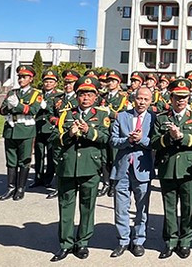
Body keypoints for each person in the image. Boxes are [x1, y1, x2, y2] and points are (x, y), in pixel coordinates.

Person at [51, 76, 111, 262]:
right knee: (65, 206)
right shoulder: (66, 114)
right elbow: (54, 139)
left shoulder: (101, 115)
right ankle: (65, 244)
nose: (86, 98)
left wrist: (88, 131)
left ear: (96, 97)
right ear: (77, 96)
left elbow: (106, 138)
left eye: (90, 94)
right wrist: (69, 134)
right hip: (68, 166)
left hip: (90, 167)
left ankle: (83, 242)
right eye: (82, 94)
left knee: (87, 206)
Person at [152, 79, 192, 259]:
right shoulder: (162, 117)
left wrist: (181, 136)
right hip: (168, 167)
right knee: (170, 207)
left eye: (184, 97)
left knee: (188, 207)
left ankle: (186, 241)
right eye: (177, 97)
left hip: (188, 169)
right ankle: (171, 241)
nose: (181, 100)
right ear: (171, 97)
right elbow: (154, 142)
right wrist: (169, 137)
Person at [110, 86, 154, 258]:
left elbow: (156, 142)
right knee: (121, 207)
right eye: (139, 98)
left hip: (142, 168)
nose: (141, 102)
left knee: (142, 207)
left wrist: (142, 139)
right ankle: (123, 241)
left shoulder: (153, 118)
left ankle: (138, 241)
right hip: (122, 168)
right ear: (133, 99)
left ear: (151, 101)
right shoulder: (122, 116)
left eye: (146, 99)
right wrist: (128, 140)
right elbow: (113, 140)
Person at [0, 65, 43, 201]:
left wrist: (16, 105)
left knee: (24, 160)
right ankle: (10, 187)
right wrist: (9, 107)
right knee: (11, 160)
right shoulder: (12, 93)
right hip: (10, 129)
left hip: (26, 130)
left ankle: (20, 188)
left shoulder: (36, 94)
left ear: (31, 79)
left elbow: (33, 110)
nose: (21, 79)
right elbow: (2, 110)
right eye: (19, 77)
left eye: (24, 77)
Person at [47, 69, 80, 199]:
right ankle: (58, 186)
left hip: (74, 132)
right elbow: (50, 114)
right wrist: (56, 121)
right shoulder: (57, 99)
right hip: (59, 132)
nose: (67, 86)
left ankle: (74, 184)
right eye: (66, 83)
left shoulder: (80, 98)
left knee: (72, 159)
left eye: (71, 83)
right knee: (57, 159)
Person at [100, 69, 129, 197]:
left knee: (114, 158)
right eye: (108, 81)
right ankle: (106, 183)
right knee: (104, 158)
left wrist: (109, 113)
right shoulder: (103, 97)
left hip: (115, 129)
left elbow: (123, 115)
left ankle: (114, 184)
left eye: (113, 81)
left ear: (118, 83)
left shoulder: (123, 98)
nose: (110, 83)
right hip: (103, 129)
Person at [31, 69, 63, 189]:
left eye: (51, 82)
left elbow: (58, 112)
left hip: (51, 128)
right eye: (46, 81)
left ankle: (48, 179)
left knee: (50, 155)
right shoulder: (38, 95)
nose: (48, 84)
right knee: (38, 155)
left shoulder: (58, 96)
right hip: (39, 127)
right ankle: (38, 178)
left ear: (55, 83)